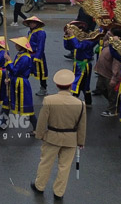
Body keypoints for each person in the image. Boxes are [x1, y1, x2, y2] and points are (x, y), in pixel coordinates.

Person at [31, 69, 86, 201]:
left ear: (57, 85)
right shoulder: (80, 104)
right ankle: (59, 192)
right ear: (71, 85)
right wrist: (80, 141)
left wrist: (40, 134)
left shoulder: (49, 100)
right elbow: (82, 125)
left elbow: (42, 120)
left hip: (52, 137)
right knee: (64, 167)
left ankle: (40, 185)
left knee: (45, 163)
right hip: (71, 139)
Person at [63, 21, 100, 107]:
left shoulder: (89, 41)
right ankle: (87, 101)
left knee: (77, 82)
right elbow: (68, 47)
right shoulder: (77, 40)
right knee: (83, 84)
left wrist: (72, 36)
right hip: (77, 64)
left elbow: (78, 46)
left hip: (84, 65)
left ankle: (74, 100)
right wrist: (67, 37)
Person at [4, 37, 37, 131]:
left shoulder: (25, 58)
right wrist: (9, 79)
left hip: (21, 84)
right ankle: (2, 123)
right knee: (6, 102)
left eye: (17, 44)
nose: (15, 45)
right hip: (15, 82)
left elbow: (15, 70)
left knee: (27, 107)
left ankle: (37, 128)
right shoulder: (20, 55)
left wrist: (9, 61)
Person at [94, 28, 121, 117]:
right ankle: (117, 104)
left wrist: (114, 78)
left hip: (110, 75)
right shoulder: (108, 43)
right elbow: (103, 40)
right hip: (102, 72)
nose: (108, 35)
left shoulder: (117, 48)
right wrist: (107, 34)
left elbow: (116, 64)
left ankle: (113, 109)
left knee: (112, 94)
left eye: (110, 34)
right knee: (100, 88)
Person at [24, 16, 49, 96]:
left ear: (37, 24)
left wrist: (37, 57)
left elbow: (41, 45)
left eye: (33, 23)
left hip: (37, 55)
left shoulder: (41, 32)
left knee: (41, 72)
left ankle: (43, 88)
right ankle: (22, 86)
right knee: (25, 71)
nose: (31, 24)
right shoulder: (30, 32)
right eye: (30, 23)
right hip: (29, 54)